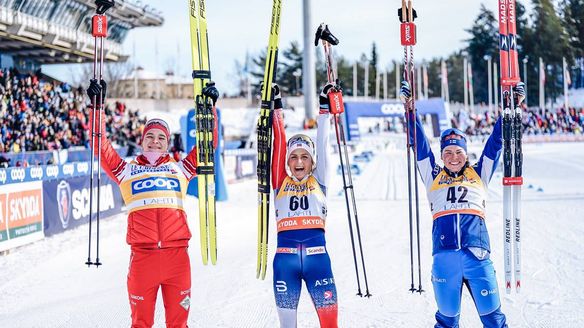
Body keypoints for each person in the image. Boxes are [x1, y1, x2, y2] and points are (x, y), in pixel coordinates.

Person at [87, 78, 219, 328]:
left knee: (179, 324)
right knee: (141, 324)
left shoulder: (181, 168)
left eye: (161, 137)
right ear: (142, 140)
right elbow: (99, 145)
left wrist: (209, 109)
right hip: (143, 259)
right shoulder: (125, 170)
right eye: (150, 136)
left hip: (177, 259)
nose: (155, 141)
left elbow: (207, 145)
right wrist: (97, 107)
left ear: (167, 143)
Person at [399, 81, 524, 328]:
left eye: (458, 152)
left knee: (494, 320)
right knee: (447, 321)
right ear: (442, 155)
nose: (453, 157)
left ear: (466, 155)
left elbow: (496, 143)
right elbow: (420, 145)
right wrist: (410, 111)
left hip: (477, 256)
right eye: (448, 153)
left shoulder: (480, 173)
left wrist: (510, 109)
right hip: (445, 257)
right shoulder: (432, 174)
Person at [270, 82, 338, 328]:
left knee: (330, 324)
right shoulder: (280, 182)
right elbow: (278, 144)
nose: (299, 161)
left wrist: (324, 109)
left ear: (312, 162)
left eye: (305, 157)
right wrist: (276, 108)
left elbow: (323, 143)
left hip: (318, 261)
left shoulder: (320, 181)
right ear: (288, 162)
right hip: (284, 263)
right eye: (294, 157)